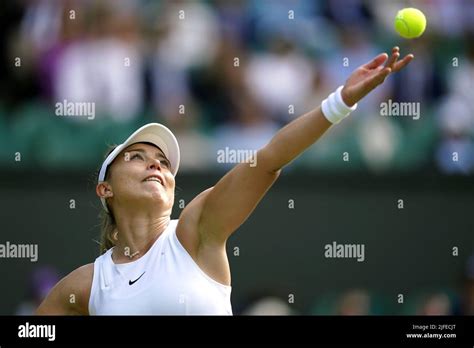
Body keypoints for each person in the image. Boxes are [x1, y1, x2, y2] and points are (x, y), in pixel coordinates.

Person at [36, 47, 413, 315]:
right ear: (106, 189)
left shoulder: (195, 228)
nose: (156, 166)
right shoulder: (84, 285)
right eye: (137, 157)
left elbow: (267, 161)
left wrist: (340, 101)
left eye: (163, 162)